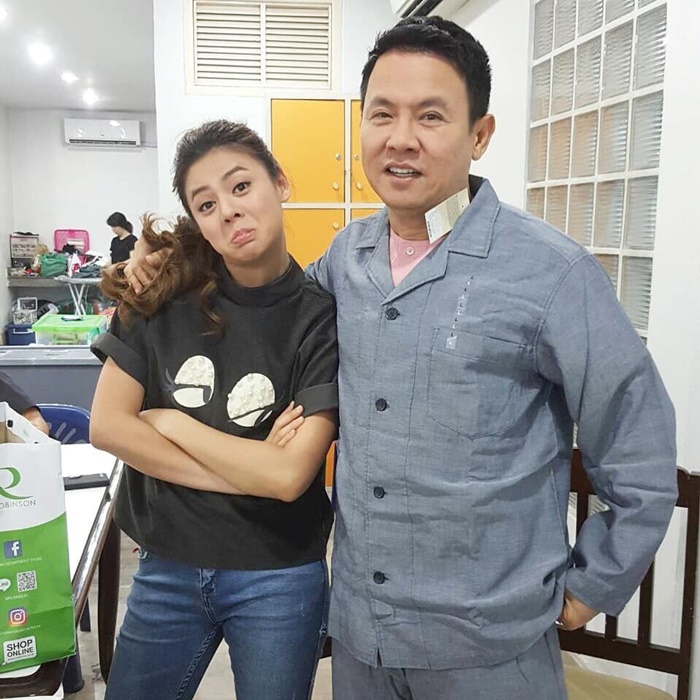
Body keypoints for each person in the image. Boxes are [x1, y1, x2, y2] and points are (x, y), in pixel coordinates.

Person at [121, 17, 677, 700]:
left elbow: (639, 444)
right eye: (382, 114)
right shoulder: (344, 260)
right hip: (363, 639)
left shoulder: (551, 273)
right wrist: (169, 256)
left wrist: (595, 585)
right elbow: (259, 297)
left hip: (488, 648)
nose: (401, 138)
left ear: (480, 135)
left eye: (431, 116)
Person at [90, 120, 338, 700]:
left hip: (279, 573)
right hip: (168, 564)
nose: (228, 211)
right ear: (197, 221)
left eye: (241, 186)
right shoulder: (160, 292)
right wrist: (247, 470)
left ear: (280, 183)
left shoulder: (320, 318)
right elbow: (108, 426)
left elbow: (287, 477)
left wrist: (172, 423)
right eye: (206, 204)